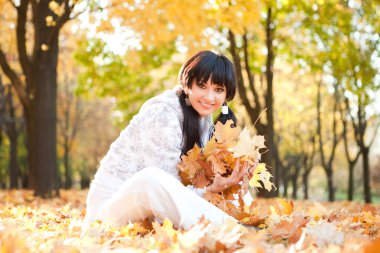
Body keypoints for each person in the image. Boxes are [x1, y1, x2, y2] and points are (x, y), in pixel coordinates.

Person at [82, 50, 248, 232]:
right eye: (202, 85)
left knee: (237, 189)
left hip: (145, 215)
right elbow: (166, 189)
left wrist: (234, 174)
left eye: (218, 90)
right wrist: (209, 190)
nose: (209, 97)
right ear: (187, 84)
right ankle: (231, 231)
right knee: (151, 178)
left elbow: (192, 181)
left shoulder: (203, 118)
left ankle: (247, 224)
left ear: (226, 94)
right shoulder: (163, 114)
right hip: (108, 216)